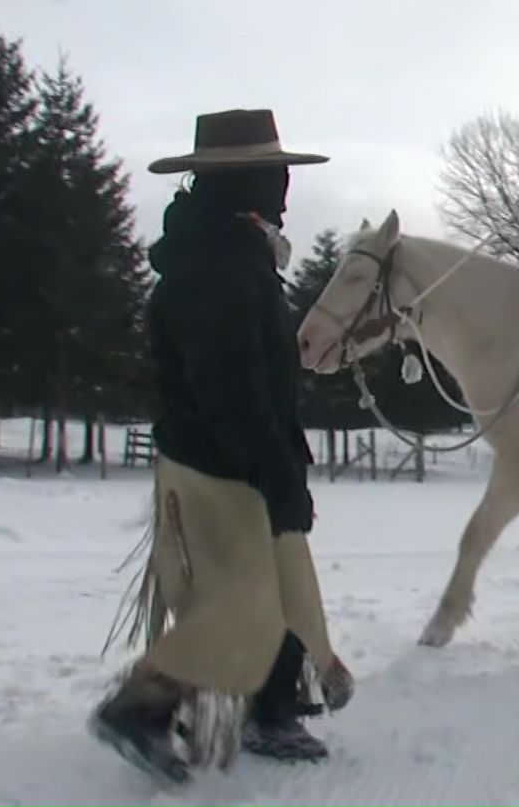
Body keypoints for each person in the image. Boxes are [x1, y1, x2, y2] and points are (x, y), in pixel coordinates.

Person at [90, 109, 353, 786]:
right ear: (246, 182)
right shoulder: (214, 266)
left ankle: (272, 704)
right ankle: (138, 708)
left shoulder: (230, 251)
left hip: (234, 457)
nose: (286, 187)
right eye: (276, 173)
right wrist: (272, 469)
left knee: (276, 582)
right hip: (218, 466)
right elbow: (229, 386)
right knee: (242, 604)